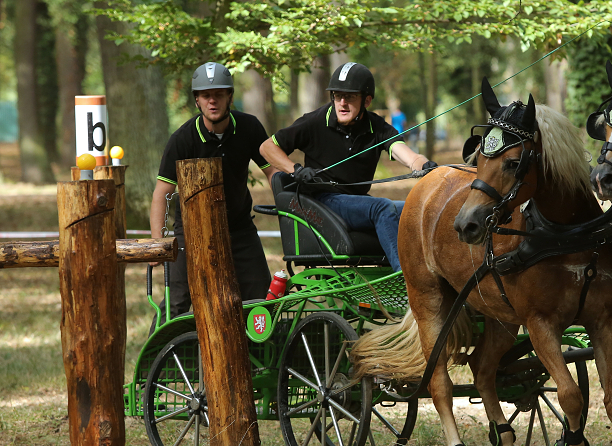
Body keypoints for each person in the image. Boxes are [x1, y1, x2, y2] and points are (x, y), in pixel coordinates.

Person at [259, 62, 436, 272]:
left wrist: (425, 166)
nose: (342, 103)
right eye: (337, 95)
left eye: (350, 97)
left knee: (416, 209)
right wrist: (295, 169)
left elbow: (409, 157)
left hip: (356, 203)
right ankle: (406, 280)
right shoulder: (315, 121)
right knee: (383, 208)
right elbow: (267, 147)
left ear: (367, 100)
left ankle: (430, 273)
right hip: (322, 202)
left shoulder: (377, 127)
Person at [149, 62, 279, 329]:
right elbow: (162, 193)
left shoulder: (249, 127)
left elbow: (273, 172)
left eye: (219, 94)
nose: (212, 101)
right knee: (175, 303)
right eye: (206, 95)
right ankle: (155, 368)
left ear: (230, 96)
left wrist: (289, 205)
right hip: (192, 232)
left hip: (239, 228)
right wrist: (156, 243)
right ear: (197, 100)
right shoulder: (182, 139)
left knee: (262, 301)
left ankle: (266, 363)